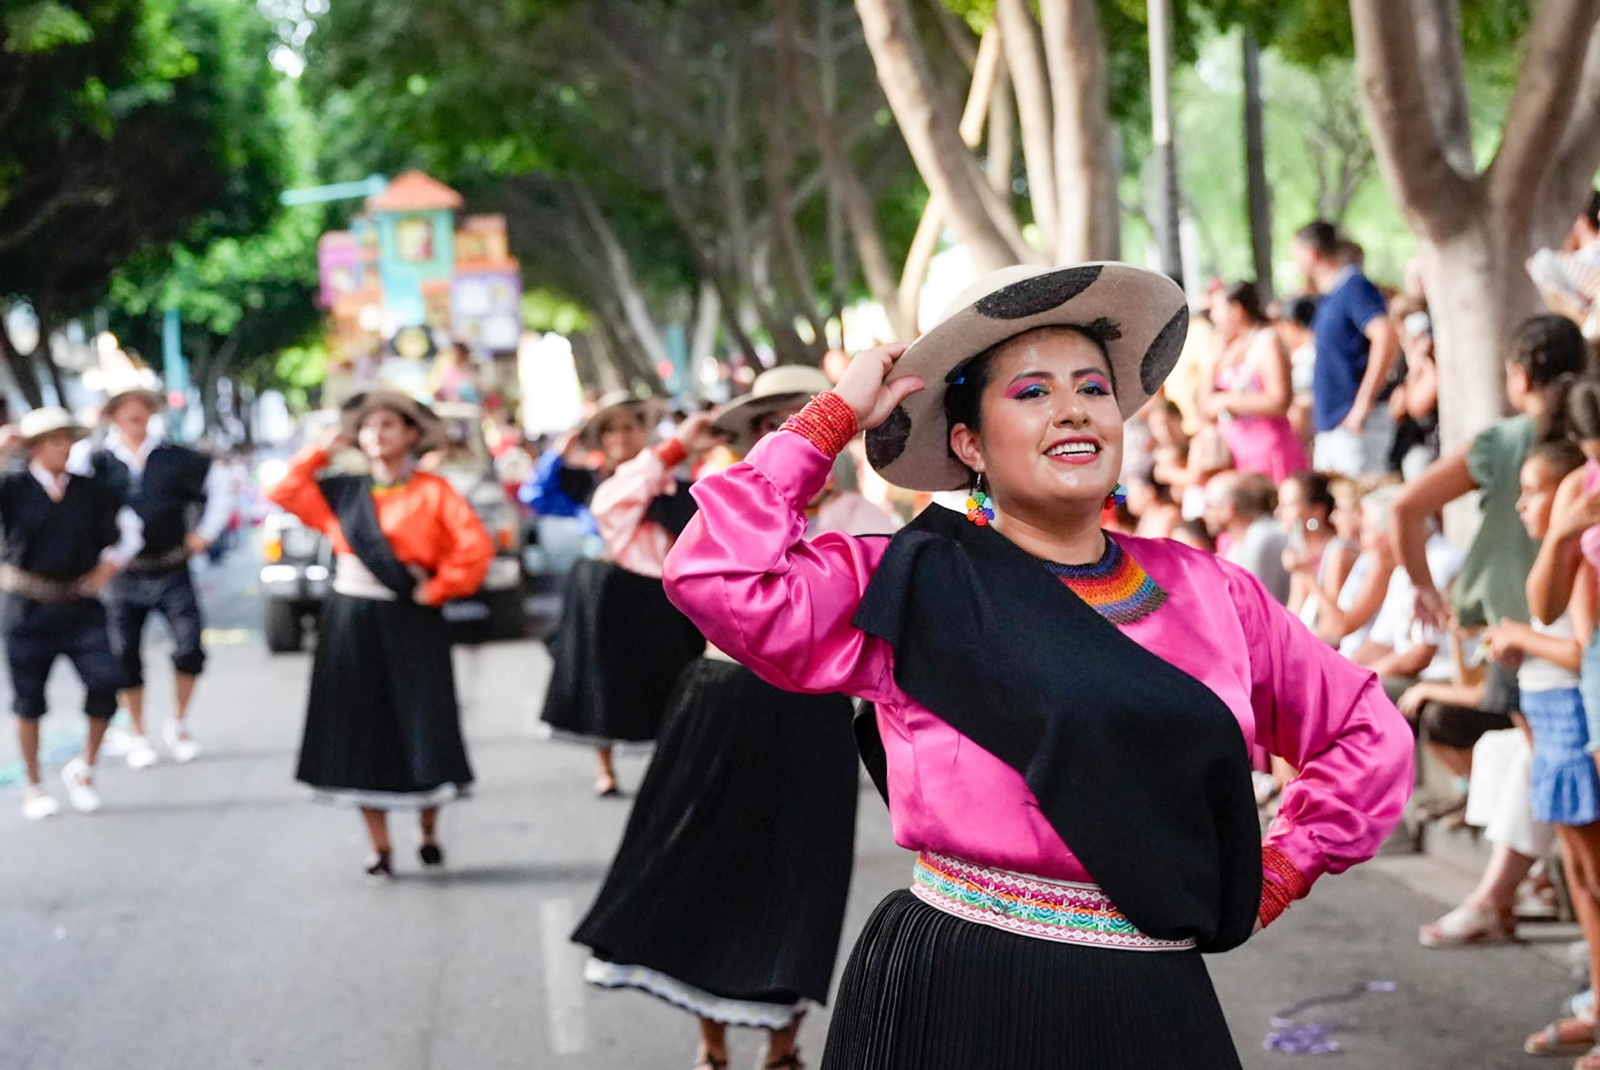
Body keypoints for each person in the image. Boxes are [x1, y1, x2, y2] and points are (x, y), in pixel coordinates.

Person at [663, 262, 1413, 1069]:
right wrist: (832, 419)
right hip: (958, 985)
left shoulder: (1212, 592)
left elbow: (1366, 733)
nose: (1071, 411)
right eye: (1030, 393)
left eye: (1093, 388)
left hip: (1150, 992)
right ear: (968, 442)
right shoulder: (905, 585)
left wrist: (1282, 868)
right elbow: (715, 576)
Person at [576, 365, 893, 1070]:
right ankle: (711, 1042)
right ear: (756, 439)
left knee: (802, 875)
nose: (799, 436)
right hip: (718, 702)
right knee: (704, 864)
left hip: (811, 719)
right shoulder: (718, 510)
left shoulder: (865, 522)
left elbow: (897, 633)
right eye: (777, 425)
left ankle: (783, 1044)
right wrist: (669, 450)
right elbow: (613, 510)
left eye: (817, 420)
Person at [266, 388, 493, 878]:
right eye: (368, 426)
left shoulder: (434, 491)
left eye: (389, 424)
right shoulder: (343, 491)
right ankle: (380, 846)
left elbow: (473, 548)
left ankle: (429, 833)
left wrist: (437, 590)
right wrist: (322, 449)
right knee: (359, 724)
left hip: (411, 617)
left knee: (422, 719)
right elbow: (283, 491)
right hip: (352, 621)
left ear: (412, 435)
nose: (378, 433)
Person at [1394, 315, 1592, 737]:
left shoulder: (1501, 443)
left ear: (1519, 376)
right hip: (1579, 634)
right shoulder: (1588, 435)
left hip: (1518, 631)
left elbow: (1405, 508)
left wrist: (1424, 588)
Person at [538, 392, 706, 796]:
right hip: (605, 587)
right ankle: (605, 765)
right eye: (611, 429)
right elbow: (542, 494)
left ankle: (668, 761)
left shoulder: (674, 484)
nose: (621, 436)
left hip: (661, 589)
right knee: (603, 674)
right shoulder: (600, 483)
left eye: (630, 426)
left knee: (672, 673)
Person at [0, 409, 142, 819]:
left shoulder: (90, 490)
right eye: (52, 441)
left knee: (106, 684)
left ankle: (86, 769)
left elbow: (128, 529)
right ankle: (33, 783)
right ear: (34, 448)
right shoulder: (12, 488)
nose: (62, 448)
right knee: (29, 702)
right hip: (27, 607)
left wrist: (106, 570)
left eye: (66, 439)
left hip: (80, 603)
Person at [84, 387, 234, 769]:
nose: (136, 415)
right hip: (122, 574)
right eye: (127, 410)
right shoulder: (96, 461)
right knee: (123, 654)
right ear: (114, 415)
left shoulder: (176, 458)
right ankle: (137, 732)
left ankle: (179, 723)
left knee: (189, 646)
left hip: (171, 566)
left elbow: (220, 485)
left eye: (142, 409)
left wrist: (206, 531)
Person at [1293, 221, 1402, 477]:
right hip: (1333, 424)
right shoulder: (1330, 296)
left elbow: (1385, 335)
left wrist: (1363, 404)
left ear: (1312, 252)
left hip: (1355, 423)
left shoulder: (1354, 287)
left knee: (1357, 502)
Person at [1200, 281, 1308, 483]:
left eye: (1217, 309)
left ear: (1236, 309)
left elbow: (1279, 401)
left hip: (1268, 451)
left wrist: (1227, 401)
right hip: (1236, 453)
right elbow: (1205, 405)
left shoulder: (1266, 342)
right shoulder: (1225, 348)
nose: (1213, 317)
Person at [1279, 470, 1358, 632]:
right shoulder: (1300, 551)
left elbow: (1334, 622)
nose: (1278, 512)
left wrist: (1306, 574)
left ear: (1317, 511)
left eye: (1288, 505)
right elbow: (1294, 612)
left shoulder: (1340, 552)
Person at [1205, 470, 1291, 604]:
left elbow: (1256, 604)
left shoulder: (1262, 537)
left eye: (1209, 506)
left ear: (1229, 510)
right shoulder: (1240, 542)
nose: (1205, 514)